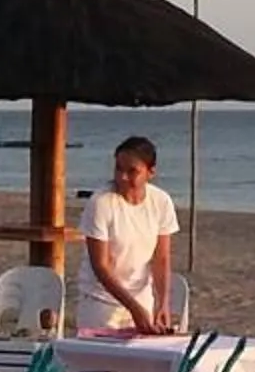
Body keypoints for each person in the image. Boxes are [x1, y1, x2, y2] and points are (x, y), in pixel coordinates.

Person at [74, 135, 179, 335]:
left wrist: (163, 302)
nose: (123, 177)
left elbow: (161, 258)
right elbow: (101, 266)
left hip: (141, 297)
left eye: (132, 171)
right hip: (101, 301)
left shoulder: (161, 201)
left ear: (150, 173)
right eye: (119, 169)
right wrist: (132, 307)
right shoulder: (101, 202)